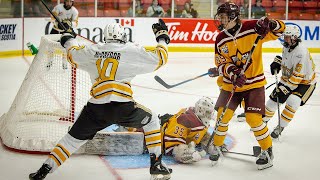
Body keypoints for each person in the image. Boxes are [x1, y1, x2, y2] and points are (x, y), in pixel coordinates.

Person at [29, 20, 172, 180]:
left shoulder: (92, 50)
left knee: (70, 141)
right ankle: (156, 163)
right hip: (122, 107)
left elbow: (72, 54)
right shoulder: (131, 50)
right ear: (122, 36)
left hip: (96, 109)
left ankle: (44, 170)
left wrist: (68, 36)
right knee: (152, 120)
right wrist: (161, 36)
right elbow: (161, 58)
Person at [207, 2, 285, 170]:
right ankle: (218, 145)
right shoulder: (220, 38)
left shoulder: (252, 28)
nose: (220, 19)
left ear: (233, 16)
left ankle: (267, 150)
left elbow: (281, 30)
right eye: (219, 16)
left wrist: (271, 24)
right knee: (222, 117)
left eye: (223, 16)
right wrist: (233, 73)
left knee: (253, 119)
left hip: (254, 84)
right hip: (231, 85)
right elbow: (220, 62)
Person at [263, 25, 317, 139]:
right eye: (285, 36)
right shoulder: (287, 46)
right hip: (289, 79)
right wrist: (278, 62)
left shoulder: (301, 52)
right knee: (273, 100)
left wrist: (284, 89)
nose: (285, 39)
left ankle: (280, 127)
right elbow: (288, 61)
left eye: (287, 37)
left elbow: (298, 76)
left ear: (295, 37)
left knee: (293, 100)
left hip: (305, 83)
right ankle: (263, 121)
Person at [160, 97, 215, 164]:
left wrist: (210, 142)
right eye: (208, 112)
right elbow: (171, 147)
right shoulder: (183, 121)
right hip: (156, 137)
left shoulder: (199, 119)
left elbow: (199, 134)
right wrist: (187, 154)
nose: (209, 116)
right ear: (201, 111)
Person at [47, 0, 79, 70]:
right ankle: (49, 61)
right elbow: (53, 16)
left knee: (65, 47)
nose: (69, 3)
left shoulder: (75, 11)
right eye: (67, 1)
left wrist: (69, 23)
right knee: (50, 45)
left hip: (65, 31)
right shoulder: (59, 7)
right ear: (64, 2)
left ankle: (64, 63)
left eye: (70, 2)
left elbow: (76, 23)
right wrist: (55, 19)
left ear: (72, 3)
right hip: (56, 29)